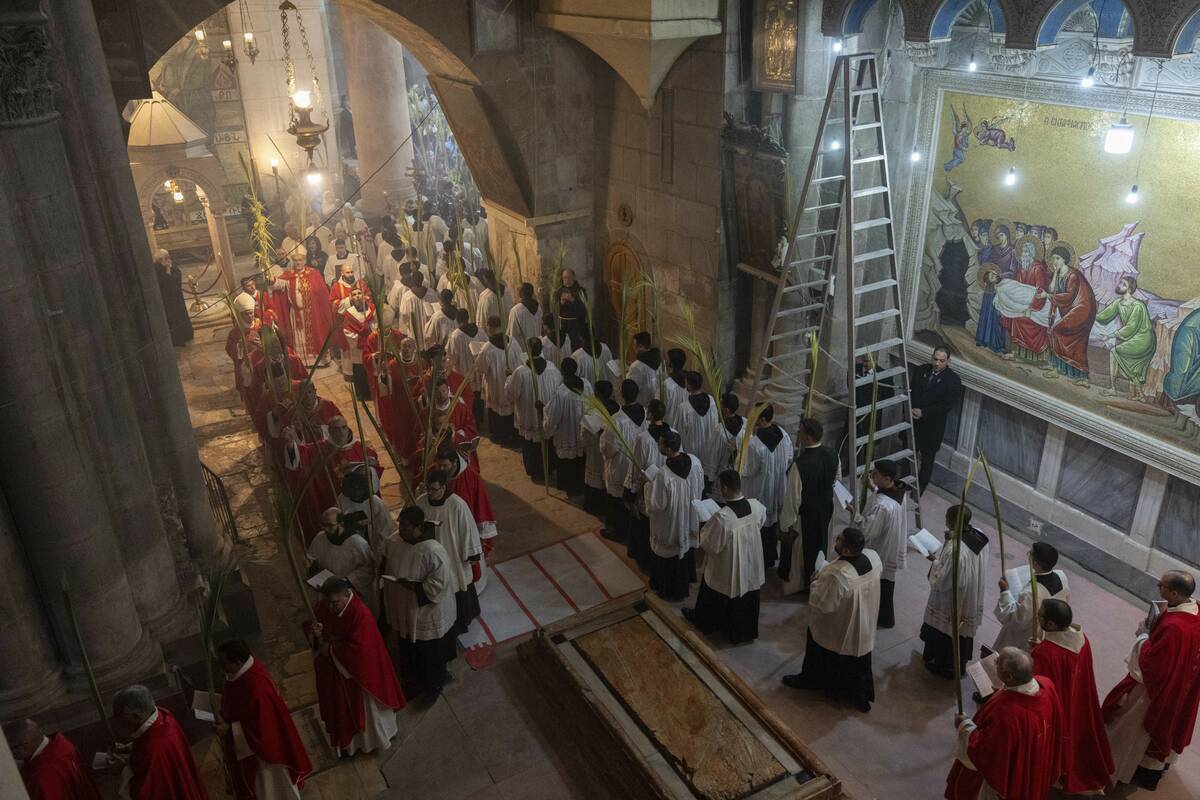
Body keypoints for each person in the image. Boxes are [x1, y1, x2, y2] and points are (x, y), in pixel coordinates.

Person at [1103, 570, 1200, 790]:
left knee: (1128, 729)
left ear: (1174, 594)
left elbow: (1154, 668)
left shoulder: (1175, 627)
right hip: (1183, 682)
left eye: (1162, 586)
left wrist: (1144, 635)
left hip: (1154, 690)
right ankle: (1151, 770)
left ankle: (1112, 769)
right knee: (1169, 726)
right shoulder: (1196, 611)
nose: (1158, 587)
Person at [782, 527, 881, 713]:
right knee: (858, 659)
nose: (836, 539)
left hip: (840, 625)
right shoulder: (873, 557)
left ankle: (810, 680)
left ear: (846, 550)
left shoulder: (837, 574)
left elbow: (823, 604)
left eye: (839, 539)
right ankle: (858, 694)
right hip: (864, 621)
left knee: (819, 642)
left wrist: (815, 582)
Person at [945, 648, 1065, 800]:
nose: (995, 664)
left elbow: (985, 752)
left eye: (997, 664)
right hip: (1035, 757)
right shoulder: (1047, 685)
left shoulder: (1006, 713)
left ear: (1008, 676)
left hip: (1006, 775)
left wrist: (964, 725)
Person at [307, 577, 406, 755]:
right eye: (328, 602)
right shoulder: (323, 607)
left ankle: (376, 739)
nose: (331, 607)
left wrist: (330, 649)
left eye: (335, 603)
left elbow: (361, 650)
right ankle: (349, 746)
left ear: (346, 594)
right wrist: (316, 634)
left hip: (360, 678)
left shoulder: (361, 614)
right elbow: (315, 625)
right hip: (336, 672)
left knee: (369, 713)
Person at [1030, 600, 1114, 795]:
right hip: (1080, 698)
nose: (1037, 618)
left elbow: (1040, 686)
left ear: (1051, 625)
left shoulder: (1046, 652)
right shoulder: (1082, 639)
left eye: (1040, 616)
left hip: (1060, 705)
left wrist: (1034, 653)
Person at [215, 639, 312, 800]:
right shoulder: (243, 673)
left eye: (223, 663)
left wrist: (230, 729)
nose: (220, 667)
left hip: (267, 756)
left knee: (271, 790)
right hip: (254, 748)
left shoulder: (256, 686)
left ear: (238, 662)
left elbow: (263, 726)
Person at [384, 506, 458, 703]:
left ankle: (434, 686)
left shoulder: (433, 550)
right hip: (404, 606)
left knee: (429, 654)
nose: (401, 530)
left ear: (419, 527)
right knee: (409, 650)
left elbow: (439, 584)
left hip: (425, 610)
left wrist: (415, 587)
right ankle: (414, 683)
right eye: (400, 525)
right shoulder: (396, 541)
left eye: (406, 527)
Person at [685, 469, 767, 643]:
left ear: (725, 488)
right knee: (746, 592)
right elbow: (760, 524)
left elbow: (710, 545)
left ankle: (708, 622)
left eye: (719, 487)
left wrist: (705, 526)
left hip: (727, 568)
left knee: (716, 584)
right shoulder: (757, 506)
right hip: (751, 562)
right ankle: (743, 632)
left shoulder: (723, 517)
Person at [921, 504, 989, 679]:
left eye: (947, 519)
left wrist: (934, 561)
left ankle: (944, 665)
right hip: (971, 594)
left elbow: (945, 580)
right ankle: (955, 663)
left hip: (954, 599)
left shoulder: (956, 550)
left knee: (947, 630)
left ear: (952, 522)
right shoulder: (980, 536)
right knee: (960, 632)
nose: (945, 522)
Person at [111, 684, 208, 799]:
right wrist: (131, 747)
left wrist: (123, 768)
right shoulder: (163, 715)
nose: (119, 721)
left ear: (136, 715)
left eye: (121, 715)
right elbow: (148, 738)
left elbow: (145, 792)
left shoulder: (153, 749)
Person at [417, 470, 483, 634]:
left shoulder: (457, 504)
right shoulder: (420, 502)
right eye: (428, 489)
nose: (430, 493)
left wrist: (471, 552)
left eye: (434, 489)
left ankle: (461, 620)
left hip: (452, 552)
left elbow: (467, 529)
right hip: (430, 554)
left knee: (456, 582)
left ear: (443, 488)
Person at [779, 417, 837, 595]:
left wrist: (786, 524)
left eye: (800, 431)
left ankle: (800, 584)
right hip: (825, 510)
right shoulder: (832, 454)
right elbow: (835, 480)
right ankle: (819, 577)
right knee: (821, 544)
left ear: (808, 437)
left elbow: (793, 499)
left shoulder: (800, 465)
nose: (798, 434)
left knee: (799, 552)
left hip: (806, 516)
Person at [645, 430, 703, 601]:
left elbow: (656, 505)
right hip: (688, 515)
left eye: (660, 443)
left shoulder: (663, 474)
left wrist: (648, 485)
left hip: (671, 521)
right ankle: (688, 577)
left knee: (670, 552)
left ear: (669, 449)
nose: (658, 445)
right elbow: (699, 488)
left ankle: (670, 589)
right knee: (684, 549)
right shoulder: (695, 462)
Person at [848, 459, 906, 628]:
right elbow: (881, 494)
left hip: (880, 548)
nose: (872, 475)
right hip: (890, 546)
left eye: (876, 474)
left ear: (887, 478)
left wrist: (854, 513)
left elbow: (868, 529)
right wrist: (872, 487)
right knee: (886, 585)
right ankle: (885, 618)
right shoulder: (898, 493)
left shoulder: (883, 506)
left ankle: (881, 618)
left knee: (879, 586)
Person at [1038, 244, 1098, 386]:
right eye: (1053, 259)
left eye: (1057, 258)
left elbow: (1069, 296)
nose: (1055, 262)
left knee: (1057, 331)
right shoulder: (1060, 273)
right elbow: (1053, 290)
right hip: (1072, 309)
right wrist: (1055, 274)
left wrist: (1047, 295)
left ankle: (1075, 374)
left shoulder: (1073, 275)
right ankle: (1057, 367)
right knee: (1067, 338)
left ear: (1064, 259)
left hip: (1082, 310)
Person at [993, 541, 1069, 652]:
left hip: (1025, 638)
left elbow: (1016, 619)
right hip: (1046, 634)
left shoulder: (1031, 593)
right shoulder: (1062, 577)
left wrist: (1004, 591)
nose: (1028, 555)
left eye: (1030, 554)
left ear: (1036, 564)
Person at [505, 337, 562, 481]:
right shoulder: (552, 368)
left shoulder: (521, 372)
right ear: (541, 350)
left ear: (528, 351)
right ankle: (548, 469)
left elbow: (511, 394)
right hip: (546, 415)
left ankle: (535, 471)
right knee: (546, 443)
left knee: (530, 445)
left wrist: (508, 378)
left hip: (528, 415)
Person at [746, 404, 793, 570]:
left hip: (762, 489)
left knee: (762, 526)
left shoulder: (754, 444)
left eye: (755, 416)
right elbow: (789, 458)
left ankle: (762, 560)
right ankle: (772, 555)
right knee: (773, 524)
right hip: (779, 486)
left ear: (763, 419)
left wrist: (737, 454)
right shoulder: (783, 434)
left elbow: (748, 470)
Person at [4, 718, 101, 800]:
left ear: (25, 746)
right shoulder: (61, 744)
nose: (7, 754)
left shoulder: (43, 776)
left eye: (8, 749)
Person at [910, 347, 962, 493]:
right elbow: (911, 391)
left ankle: (919, 489)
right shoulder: (922, 370)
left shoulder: (953, 380)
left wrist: (924, 412)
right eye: (935, 359)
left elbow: (946, 405)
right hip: (913, 422)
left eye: (941, 361)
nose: (937, 363)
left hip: (932, 428)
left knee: (927, 461)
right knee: (908, 454)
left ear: (948, 361)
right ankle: (904, 482)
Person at [306, 507, 377, 613]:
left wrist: (346, 581)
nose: (325, 529)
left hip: (351, 591)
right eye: (322, 525)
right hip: (328, 589)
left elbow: (369, 568)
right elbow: (311, 557)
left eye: (329, 525)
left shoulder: (357, 543)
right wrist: (309, 562)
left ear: (341, 524)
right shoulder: (320, 538)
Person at [600, 379, 646, 542]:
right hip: (639, 464)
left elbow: (609, 449)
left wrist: (601, 439)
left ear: (621, 395)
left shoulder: (617, 419)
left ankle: (619, 532)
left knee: (618, 502)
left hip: (622, 465)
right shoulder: (645, 412)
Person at [1096, 275, 1157, 399]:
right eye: (1120, 282)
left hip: (1144, 339)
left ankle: (1113, 389)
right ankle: (1140, 394)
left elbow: (1131, 327)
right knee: (1125, 360)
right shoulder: (1119, 302)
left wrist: (1110, 335)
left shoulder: (1138, 306)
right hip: (1133, 338)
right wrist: (1089, 312)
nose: (1119, 285)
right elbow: (1103, 316)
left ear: (1129, 289)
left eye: (1123, 284)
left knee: (1114, 352)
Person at [275, 247, 334, 366]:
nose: (298, 262)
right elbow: (278, 284)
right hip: (295, 313)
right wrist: (270, 280)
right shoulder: (288, 275)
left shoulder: (314, 274)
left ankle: (320, 361)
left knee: (316, 334)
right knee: (299, 337)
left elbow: (322, 293)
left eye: (300, 260)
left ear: (305, 261)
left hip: (313, 313)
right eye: (295, 260)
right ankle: (303, 361)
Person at [543, 356, 590, 496]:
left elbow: (553, 417)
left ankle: (569, 486)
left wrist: (543, 412)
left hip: (566, 433)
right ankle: (580, 486)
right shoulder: (586, 384)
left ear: (562, 372)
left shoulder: (561, 392)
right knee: (580, 460)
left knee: (567, 463)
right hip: (583, 430)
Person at [475, 316, 521, 445]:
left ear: (489, 327)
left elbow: (481, 368)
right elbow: (520, 361)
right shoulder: (512, 341)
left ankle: (500, 436)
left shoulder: (488, 348)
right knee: (511, 410)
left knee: (497, 412)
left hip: (496, 385)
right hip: (512, 382)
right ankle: (512, 434)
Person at [675, 371, 722, 491]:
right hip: (709, 447)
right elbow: (716, 425)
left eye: (686, 382)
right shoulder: (711, 400)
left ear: (689, 385)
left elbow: (680, 433)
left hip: (692, 449)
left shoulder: (684, 407)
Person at [336, 470, 393, 561]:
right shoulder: (342, 499)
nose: (355, 494)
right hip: (353, 541)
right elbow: (339, 520)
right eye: (351, 492)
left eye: (357, 490)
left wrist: (379, 552)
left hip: (374, 540)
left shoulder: (375, 503)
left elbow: (386, 530)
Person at [581, 380, 616, 515]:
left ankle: (594, 506)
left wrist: (585, 444)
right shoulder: (616, 407)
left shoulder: (593, 410)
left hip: (596, 448)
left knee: (595, 477)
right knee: (605, 477)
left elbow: (585, 432)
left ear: (597, 394)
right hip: (611, 449)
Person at [446, 307, 487, 423]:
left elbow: (451, 357)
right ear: (468, 318)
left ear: (457, 320)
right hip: (479, 371)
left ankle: (471, 420)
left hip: (464, 373)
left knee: (468, 398)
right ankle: (480, 419)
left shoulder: (456, 336)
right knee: (479, 396)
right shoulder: (480, 331)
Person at [340, 284, 376, 399]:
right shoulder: (349, 313)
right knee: (360, 371)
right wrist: (361, 338)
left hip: (373, 345)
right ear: (351, 298)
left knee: (374, 367)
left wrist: (372, 334)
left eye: (359, 293)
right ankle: (363, 395)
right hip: (358, 349)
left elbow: (377, 324)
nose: (357, 296)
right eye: (354, 295)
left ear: (364, 295)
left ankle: (375, 392)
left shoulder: (372, 309)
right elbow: (347, 331)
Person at [153, 248, 193, 346]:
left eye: (168, 256)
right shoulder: (156, 269)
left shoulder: (173, 266)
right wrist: (167, 270)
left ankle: (186, 335)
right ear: (159, 260)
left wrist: (169, 270)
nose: (167, 259)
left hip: (176, 298)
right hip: (166, 300)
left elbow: (176, 279)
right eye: (164, 257)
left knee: (180, 316)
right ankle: (176, 340)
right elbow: (163, 283)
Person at [627, 331, 661, 407]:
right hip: (655, 406)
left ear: (641, 346)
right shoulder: (659, 361)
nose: (633, 347)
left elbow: (631, 389)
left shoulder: (637, 366)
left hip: (641, 406)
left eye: (634, 345)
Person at [506, 282, 542, 352]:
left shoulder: (516, 310)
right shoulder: (539, 308)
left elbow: (512, 333)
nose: (516, 292)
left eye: (518, 290)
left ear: (522, 293)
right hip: (537, 347)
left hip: (522, 349)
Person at [662, 348, 689, 425]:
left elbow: (662, 407)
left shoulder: (667, 384)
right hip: (685, 424)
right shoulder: (690, 381)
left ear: (671, 364)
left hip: (670, 425)